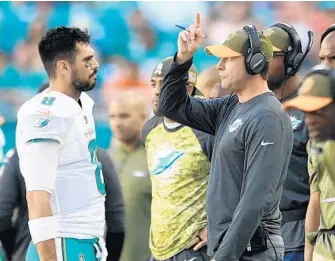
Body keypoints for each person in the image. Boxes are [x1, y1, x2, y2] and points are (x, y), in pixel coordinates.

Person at [158, 13, 294, 261]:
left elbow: (255, 200)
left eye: (228, 59)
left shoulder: (268, 117)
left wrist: (224, 257)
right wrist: (183, 59)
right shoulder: (230, 106)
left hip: (252, 252)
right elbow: (170, 106)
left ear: (254, 62)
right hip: (230, 251)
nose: (219, 66)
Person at [15, 26, 107, 261]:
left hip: (85, 239)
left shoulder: (82, 103)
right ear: (64, 66)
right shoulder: (46, 112)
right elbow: (36, 195)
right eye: (87, 60)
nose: (95, 64)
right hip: (63, 241)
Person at [142, 57, 214, 261]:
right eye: (153, 84)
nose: (156, 91)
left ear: (188, 89)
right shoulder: (149, 130)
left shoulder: (208, 131)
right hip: (158, 250)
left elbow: (240, 182)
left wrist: (216, 226)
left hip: (195, 249)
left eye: (165, 85)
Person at [263, 23, 312, 261]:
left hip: (301, 236)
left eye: (272, 55)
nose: (262, 63)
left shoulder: (314, 106)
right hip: (261, 238)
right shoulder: (255, 106)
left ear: (293, 59)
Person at [282, 65, 335, 261]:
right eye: (306, 112)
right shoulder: (317, 146)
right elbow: (316, 201)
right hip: (325, 247)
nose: (310, 120)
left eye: (318, 111)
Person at [302, 24, 335, 261]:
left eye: (333, 58)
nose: (326, 66)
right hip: (325, 246)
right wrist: (309, 253)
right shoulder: (318, 126)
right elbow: (316, 197)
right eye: (322, 58)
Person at [108, 91, 151, 261]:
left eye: (124, 116)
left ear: (143, 117)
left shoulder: (156, 157)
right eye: (112, 116)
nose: (117, 123)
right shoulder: (105, 158)